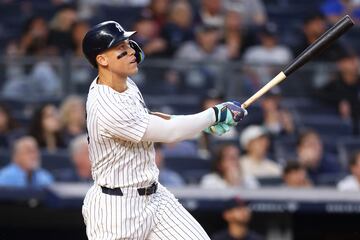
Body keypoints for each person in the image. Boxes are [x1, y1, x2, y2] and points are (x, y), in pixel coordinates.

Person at [81, 20, 247, 239]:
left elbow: (154, 120)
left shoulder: (126, 84)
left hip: (154, 197)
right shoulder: (106, 105)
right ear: (101, 59)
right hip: (116, 208)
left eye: (129, 44)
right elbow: (169, 132)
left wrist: (205, 126)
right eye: (121, 48)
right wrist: (213, 115)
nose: (131, 51)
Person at [316, 50, 360, 135]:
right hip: (339, 123)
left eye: (355, 61)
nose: (354, 64)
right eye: (350, 61)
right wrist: (340, 101)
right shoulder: (335, 83)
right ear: (340, 64)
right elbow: (318, 94)